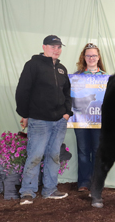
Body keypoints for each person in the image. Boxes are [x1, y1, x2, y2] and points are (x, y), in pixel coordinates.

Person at [15, 35, 73, 205]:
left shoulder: (62, 68)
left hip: (59, 121)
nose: (56, 50)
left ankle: (50, 190)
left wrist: (67, 113)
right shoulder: (32, 65)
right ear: (44, 47)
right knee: (35, 155)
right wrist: (25, 114)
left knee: (54, 155)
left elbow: (67, 93)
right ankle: (27, 192)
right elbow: (22, 91)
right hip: (39, 120)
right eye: (53, 46)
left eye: (59, 47)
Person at [74, 43, 107, 192]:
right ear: (84, 58)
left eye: (94, 55)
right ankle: (83, 183)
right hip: (80, 119)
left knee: (98, 151)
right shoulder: (76, 77)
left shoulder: (106, 78)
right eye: (88, 55)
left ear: (98, 57)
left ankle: (96, 183)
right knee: (83, 151)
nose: (91, 58)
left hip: (99, 121)